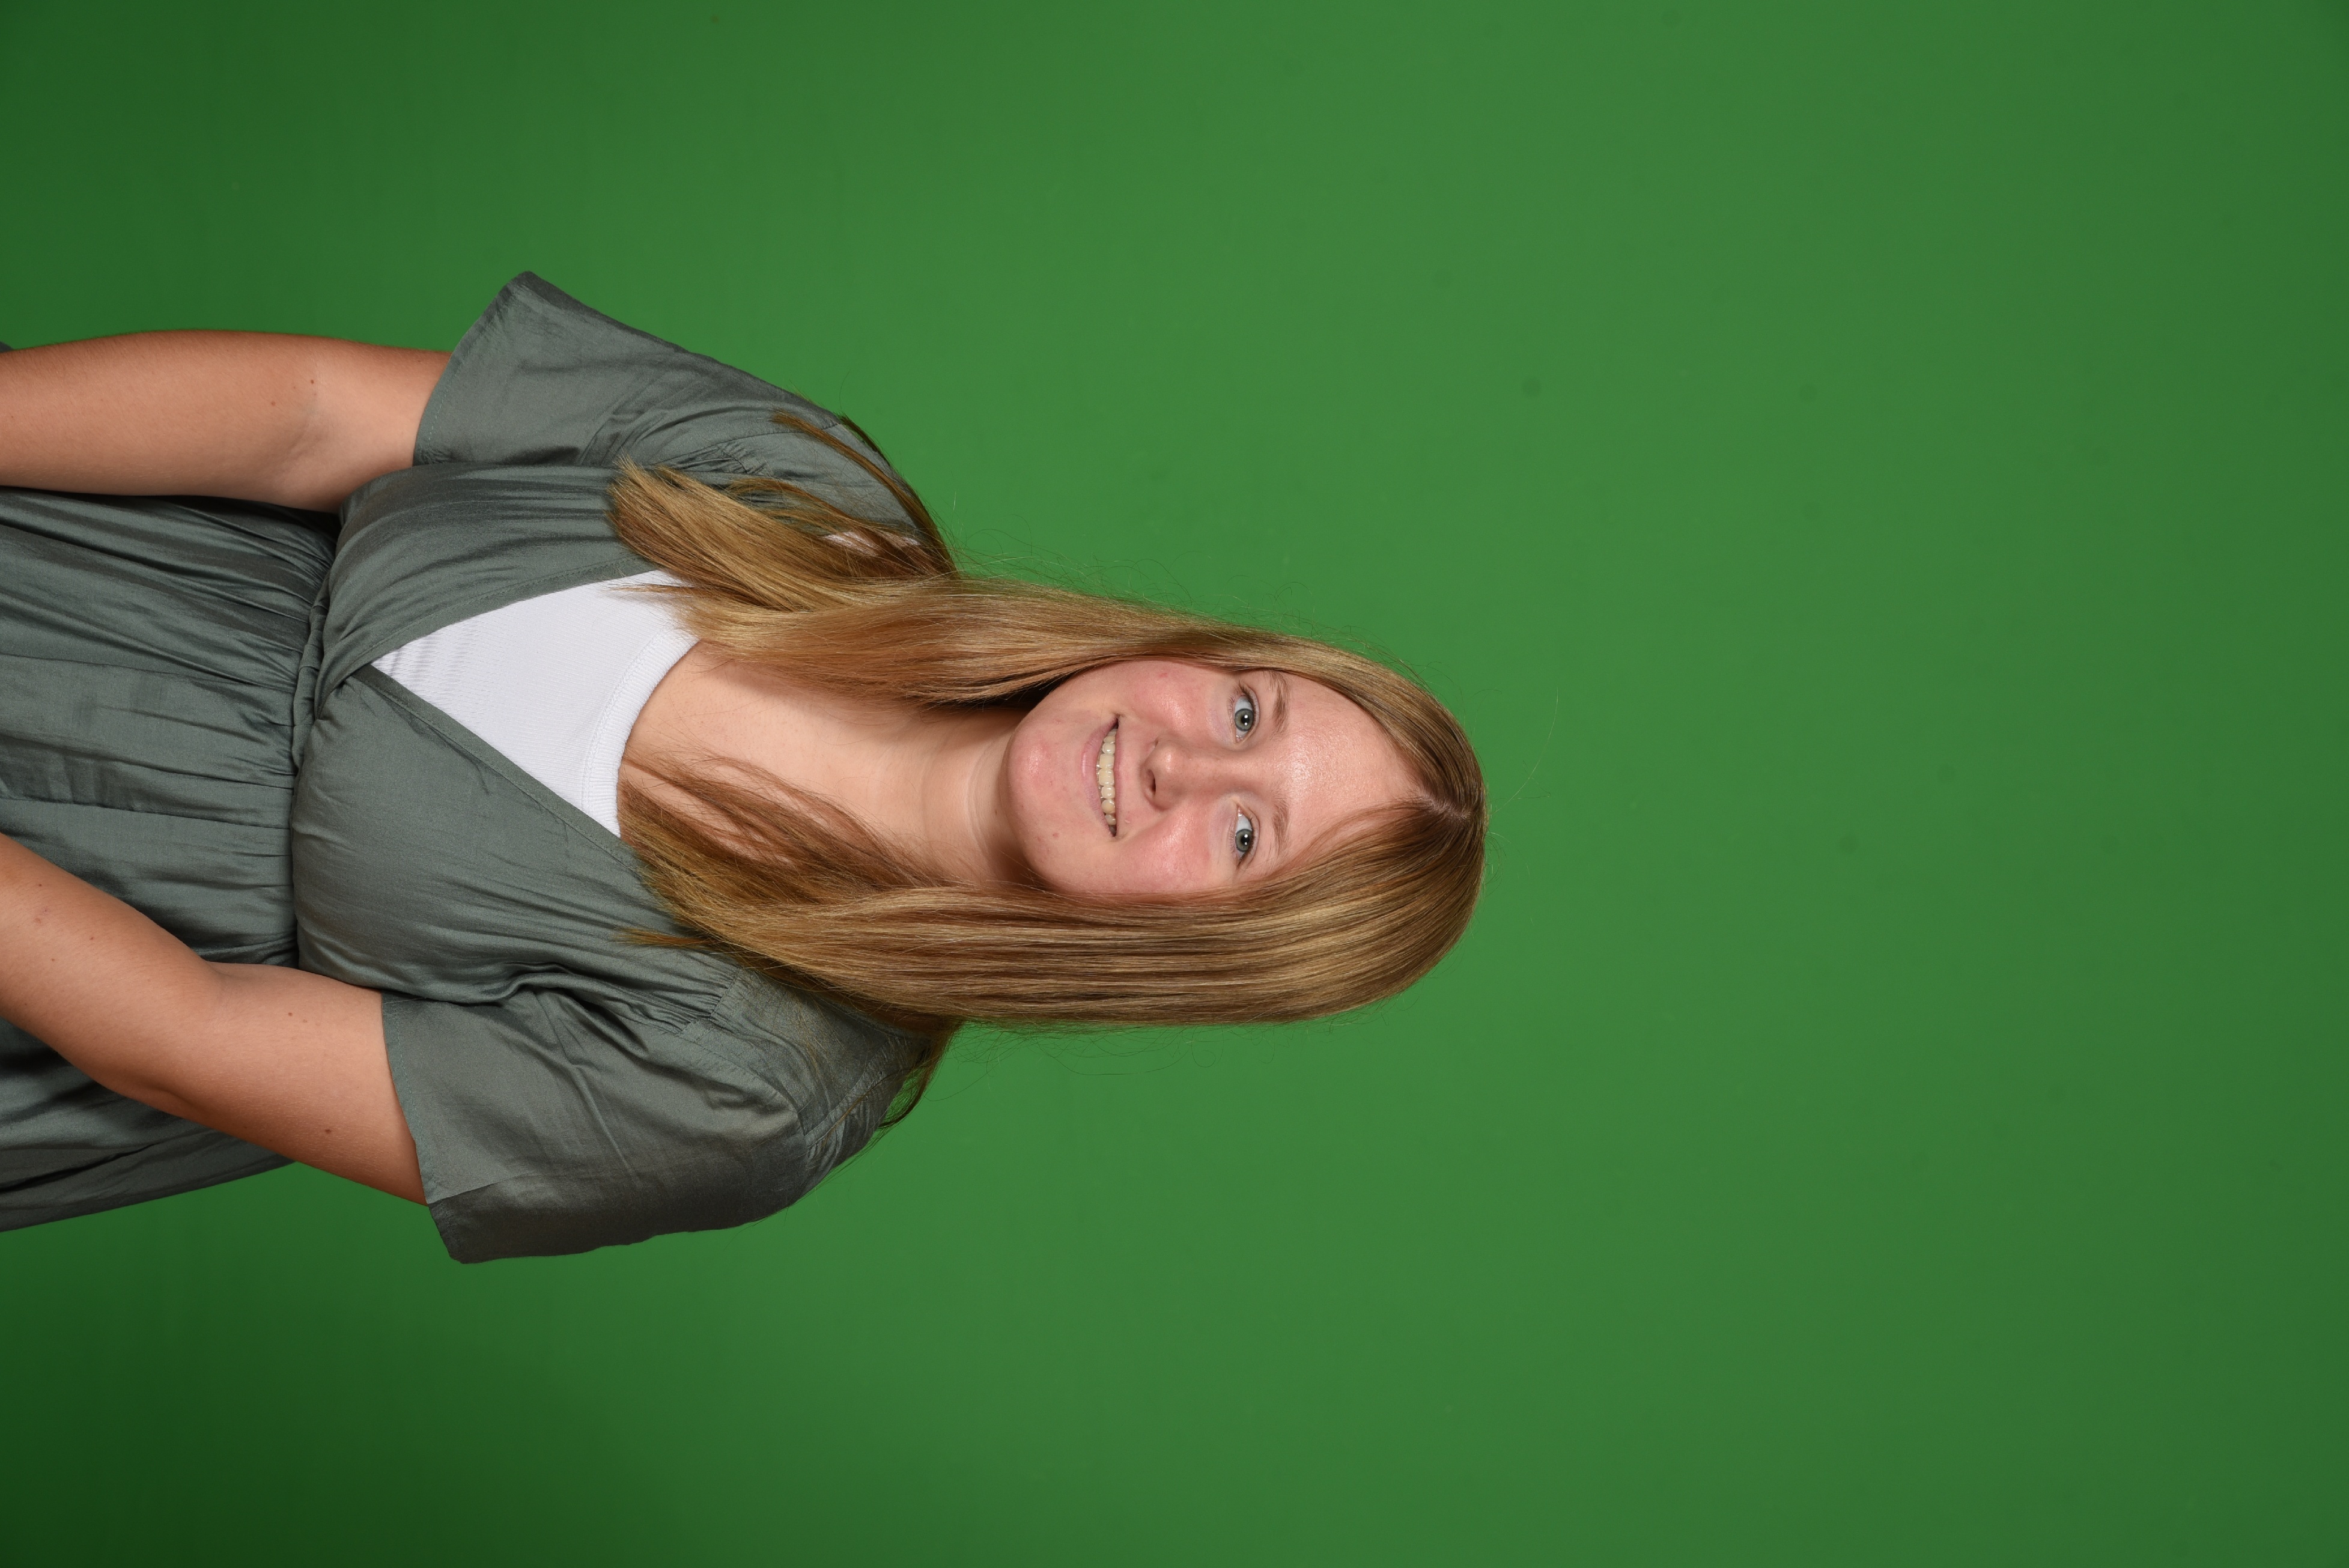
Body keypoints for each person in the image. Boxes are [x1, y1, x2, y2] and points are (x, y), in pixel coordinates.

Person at [0, 276, 1484, 1262]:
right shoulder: (807, 491)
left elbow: (182, 1033)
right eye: (1244, 716)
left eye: (1243, 839)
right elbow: (311, 414)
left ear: (1187, 958)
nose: (1177, 768)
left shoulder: (753, 1097)